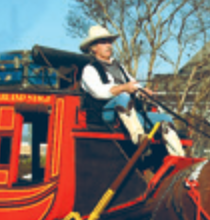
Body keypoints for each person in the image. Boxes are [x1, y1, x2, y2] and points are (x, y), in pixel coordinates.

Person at [79, 25, 184, 156]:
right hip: (104, 115)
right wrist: (124, 88)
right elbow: (99, 92)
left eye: (109, 42)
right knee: (123, 97)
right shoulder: (89, 70)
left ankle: (178, 159)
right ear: (93, 47)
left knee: (165, 119)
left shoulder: (119, 66)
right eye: (103, 42)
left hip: (128, 114)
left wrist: (144, 92)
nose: (109, 45)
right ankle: (139, 139)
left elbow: (133, 84)